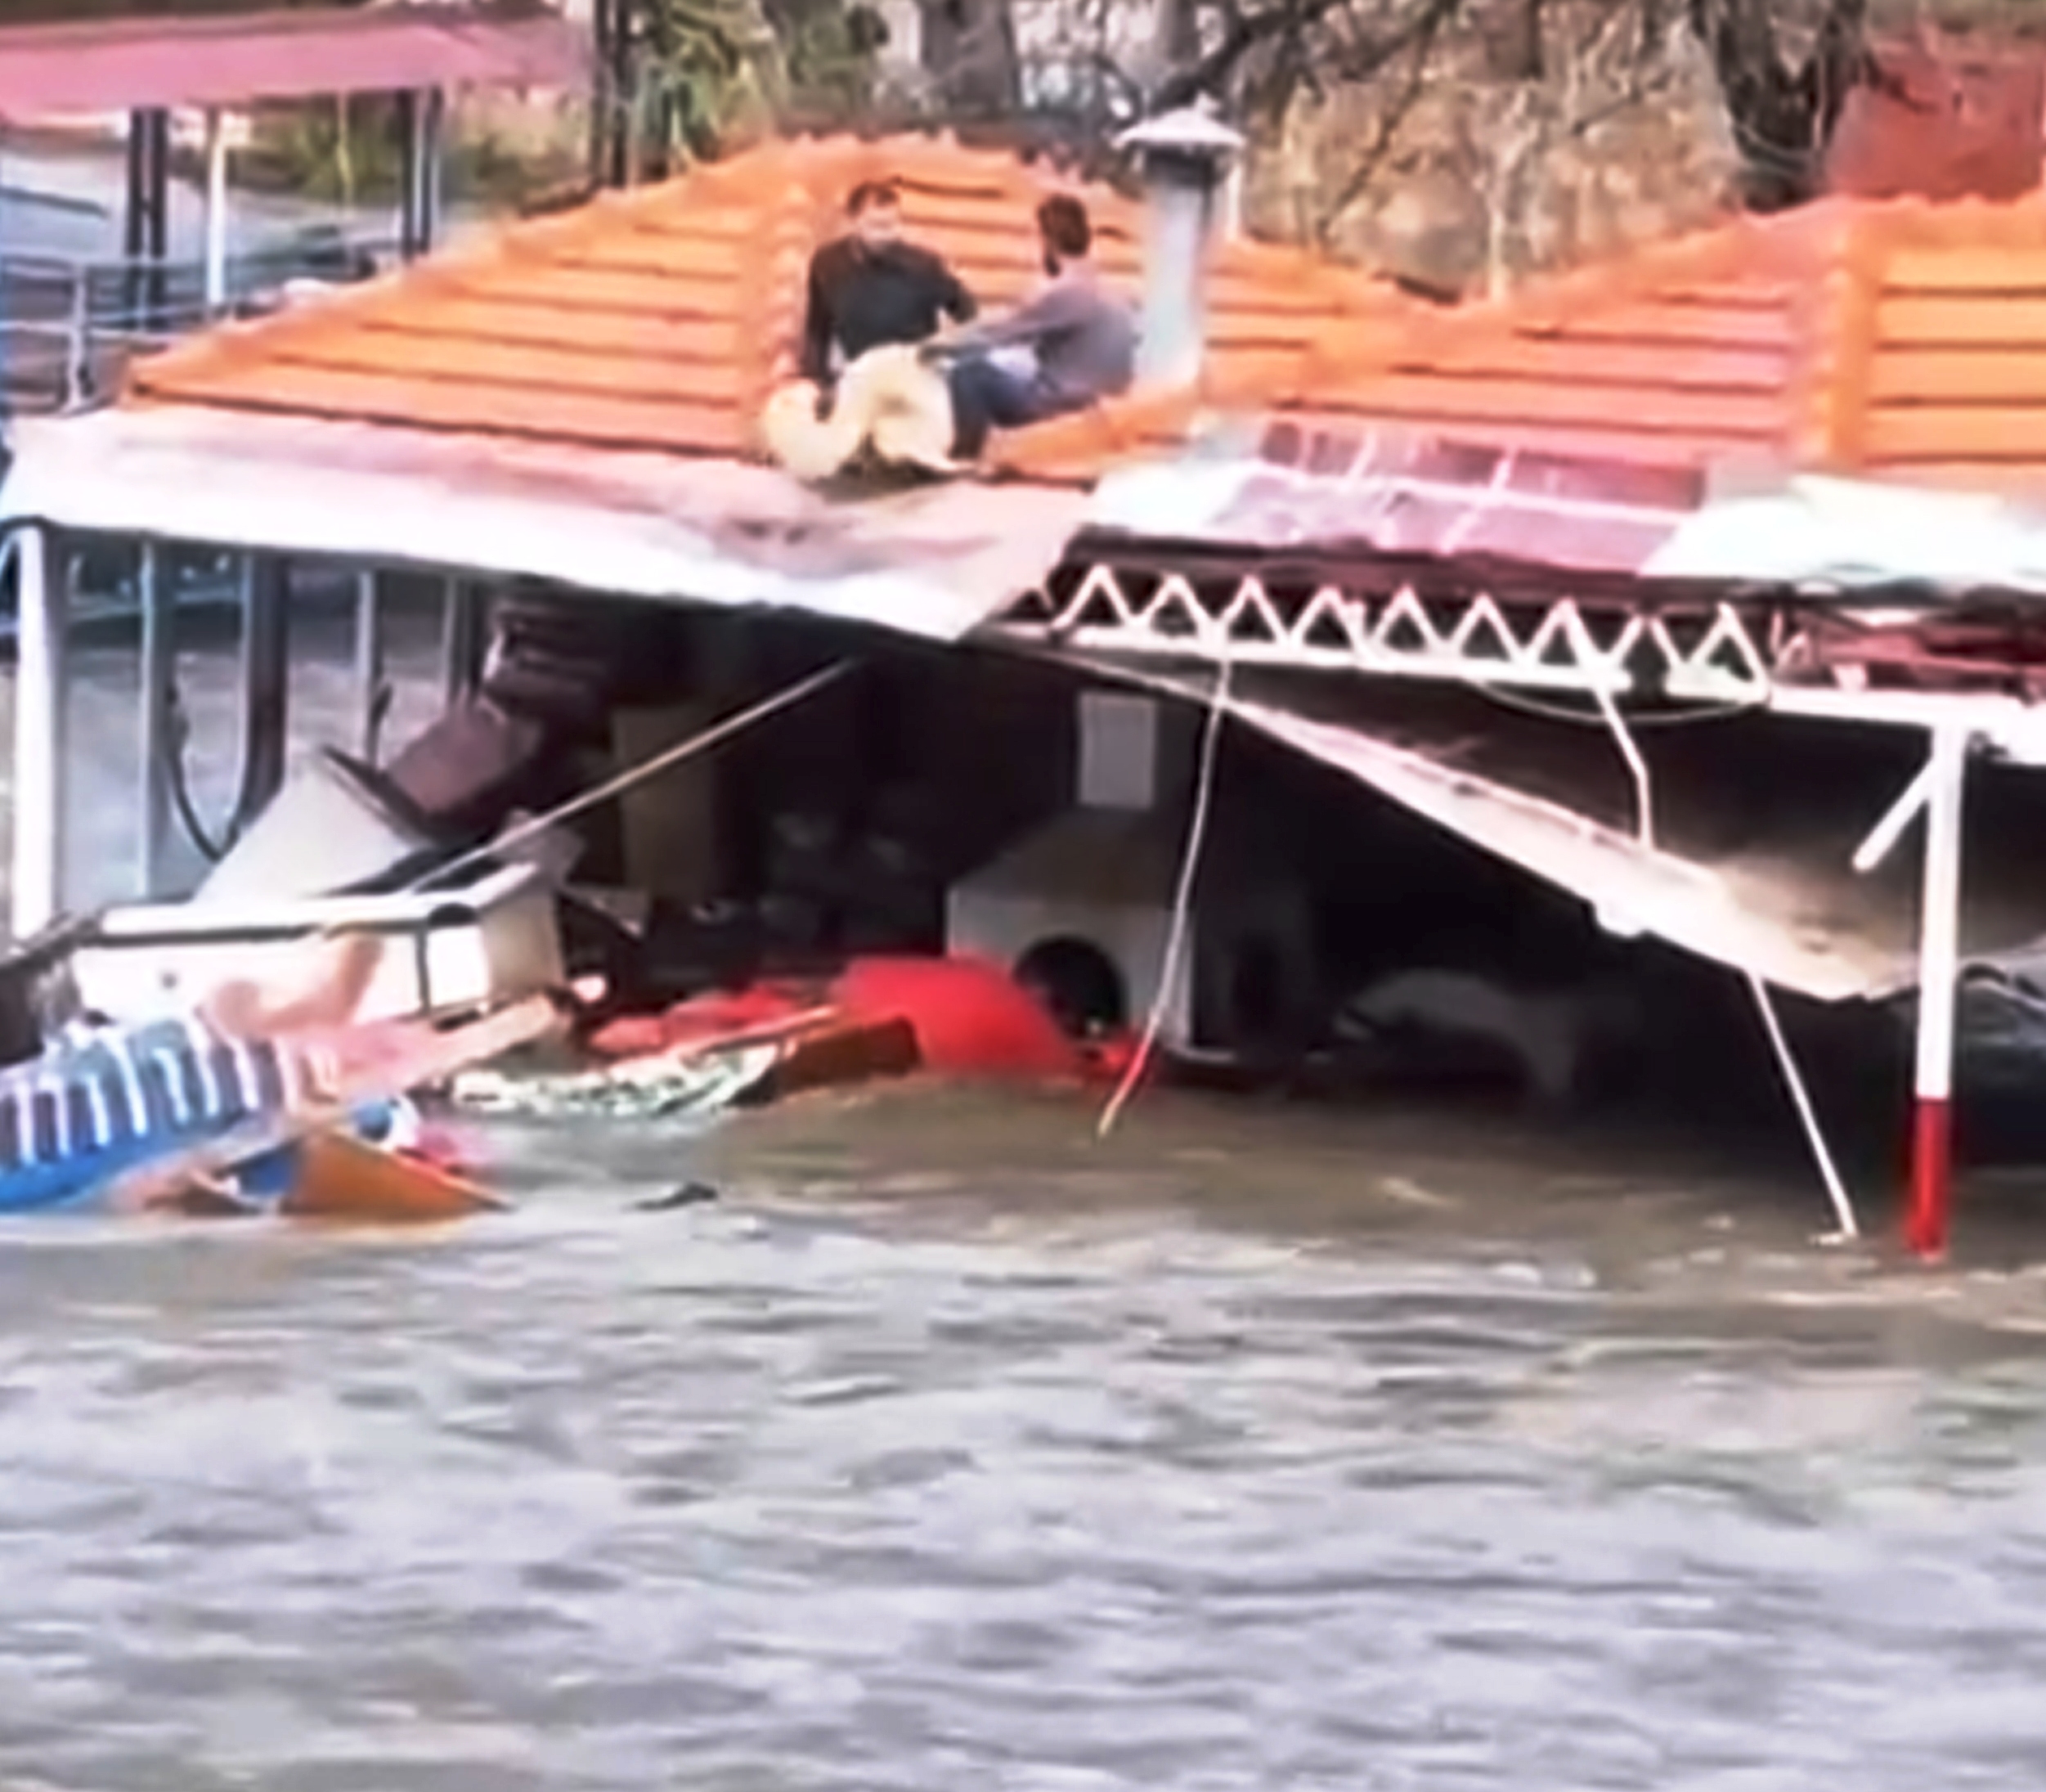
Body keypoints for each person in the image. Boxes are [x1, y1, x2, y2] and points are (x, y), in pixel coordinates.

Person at [935, 194, 1137, 460]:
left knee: (969, 374)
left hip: (1065, 406)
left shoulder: (1065, 291)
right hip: (1103, 403)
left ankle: (965, 459)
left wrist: (938, 345)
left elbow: (997, 333)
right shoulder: (1111, 291)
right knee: (1010, 366)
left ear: (1049, 243)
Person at [798, 178, 976, 389]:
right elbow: (817, 330)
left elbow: (967, 313)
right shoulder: (828, 265)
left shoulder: (923, 265)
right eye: (875, 226)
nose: (885, 235)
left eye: (891, 225)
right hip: (860, 375)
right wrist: (817, 380)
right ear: (853, 221)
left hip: (915, 374)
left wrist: (940, 350)